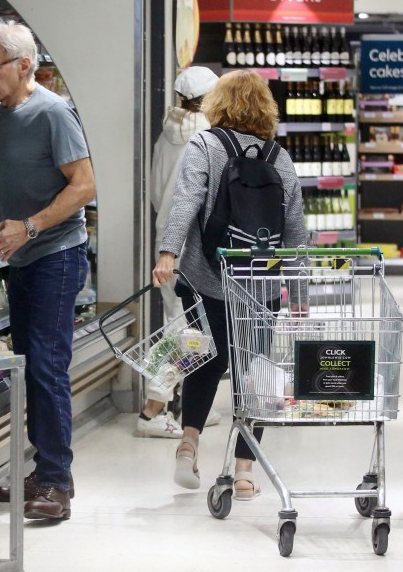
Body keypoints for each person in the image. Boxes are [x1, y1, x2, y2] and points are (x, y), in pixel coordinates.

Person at [0, 20, 95, 521]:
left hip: (55, 255)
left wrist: (29, 228)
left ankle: (56, 482)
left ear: (23, 65)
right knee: (28, 368)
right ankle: (45, 471)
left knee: (46, 366)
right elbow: (5, 179)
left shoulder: (53, 113)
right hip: (21, 258)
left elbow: (83, 186)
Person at [152, 70, 307, 500]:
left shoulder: (207, 144)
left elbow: (187, 199)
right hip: (260, 285)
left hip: (207, 278)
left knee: (205, 361)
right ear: (266, 108)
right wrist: (299, 291)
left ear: (217, 104)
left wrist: (168, 253)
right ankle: (243, 471)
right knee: (254, 371)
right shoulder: (280, 156)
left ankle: (189, 444)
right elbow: (295, 228)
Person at [138, 66, 221, 439]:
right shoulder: (208, 135)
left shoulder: (165, 135)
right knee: (184, 325)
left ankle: (189, 407)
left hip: (166, 234)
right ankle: (152, 410)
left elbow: (157, 193)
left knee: (186, 320)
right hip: (192, 238)